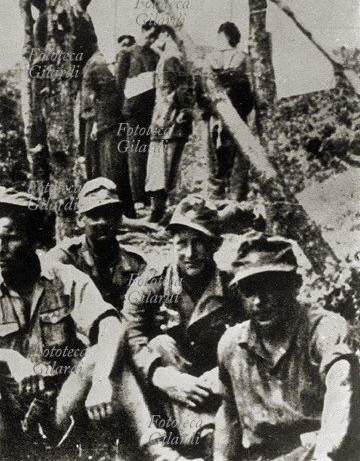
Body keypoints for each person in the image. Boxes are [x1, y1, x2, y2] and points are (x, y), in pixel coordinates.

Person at [0, 187, 191, 461]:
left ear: (33, 238)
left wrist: (101, 381)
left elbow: (111, 325)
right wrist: (7, 357)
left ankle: (157, 449)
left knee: (102, 355)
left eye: (11, 238)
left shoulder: (64, 278)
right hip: (3, 417)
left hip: (59, 408)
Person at [215, 234, 359, 461]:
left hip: (319, 450)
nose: (258, 301)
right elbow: (227, 411)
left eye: (269, 287)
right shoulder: (232, 345)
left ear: (295, 285)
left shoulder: (324, 330)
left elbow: (341, 391)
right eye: (249, 290)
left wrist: (325, 455)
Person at [122, 194, 244, 459]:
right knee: (160, 344)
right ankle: (203, 437)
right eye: (182, 244)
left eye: (199, 243)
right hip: (167, 390)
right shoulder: (153, 283)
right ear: (172, 244)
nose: (190, 254)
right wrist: (159, 375)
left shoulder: (233, 287)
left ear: (216, 244)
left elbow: (255, 332)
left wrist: (221, 373)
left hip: (217, 388)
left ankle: (209, 438)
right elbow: (130, 331)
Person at [47, 178, 146, 311]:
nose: (103, 222)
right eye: (94, 216)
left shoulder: (135, 263)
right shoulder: (63, 259)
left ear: (119, 219)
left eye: (109, 215)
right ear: (80, 220)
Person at [145, 25, 194, 223]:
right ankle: (160, 211)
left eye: (156, 37)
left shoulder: (170, 58)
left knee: (159, 167)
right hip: (171, 121)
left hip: (167, 122)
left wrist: (176, 113)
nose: (154, 42)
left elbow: (175, 90)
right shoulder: (177, 57)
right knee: (164, 168)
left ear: (165, 35)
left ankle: (158, 212)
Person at [80, 50, 136, 216]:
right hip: (101, 124)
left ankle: (123, 212)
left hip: (114, 123)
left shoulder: (120, 59)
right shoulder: (96, 63)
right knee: (104, 168)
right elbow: (88, 97)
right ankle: (107, 212)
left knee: (116, 168)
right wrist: (95, 122)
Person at [204, 22, 253, 201]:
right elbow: (249, 91)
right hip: (238, 114)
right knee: (239, 159)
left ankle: (215, 197)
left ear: (221, 36)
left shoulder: (209, 59)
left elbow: (203, 90)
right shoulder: (244, 58)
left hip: (216, 114)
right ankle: (236, 199)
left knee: (215, 159)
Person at [119, 21, 160, 209]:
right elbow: (119, 84)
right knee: (135, 153)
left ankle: (146, 194)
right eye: (149, 35)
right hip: (133, 108)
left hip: (148, 109)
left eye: (154, 37)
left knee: (147, 153)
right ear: (142, 31)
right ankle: (137, 198)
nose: (150, 40)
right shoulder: (127, 53)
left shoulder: (154, 55)